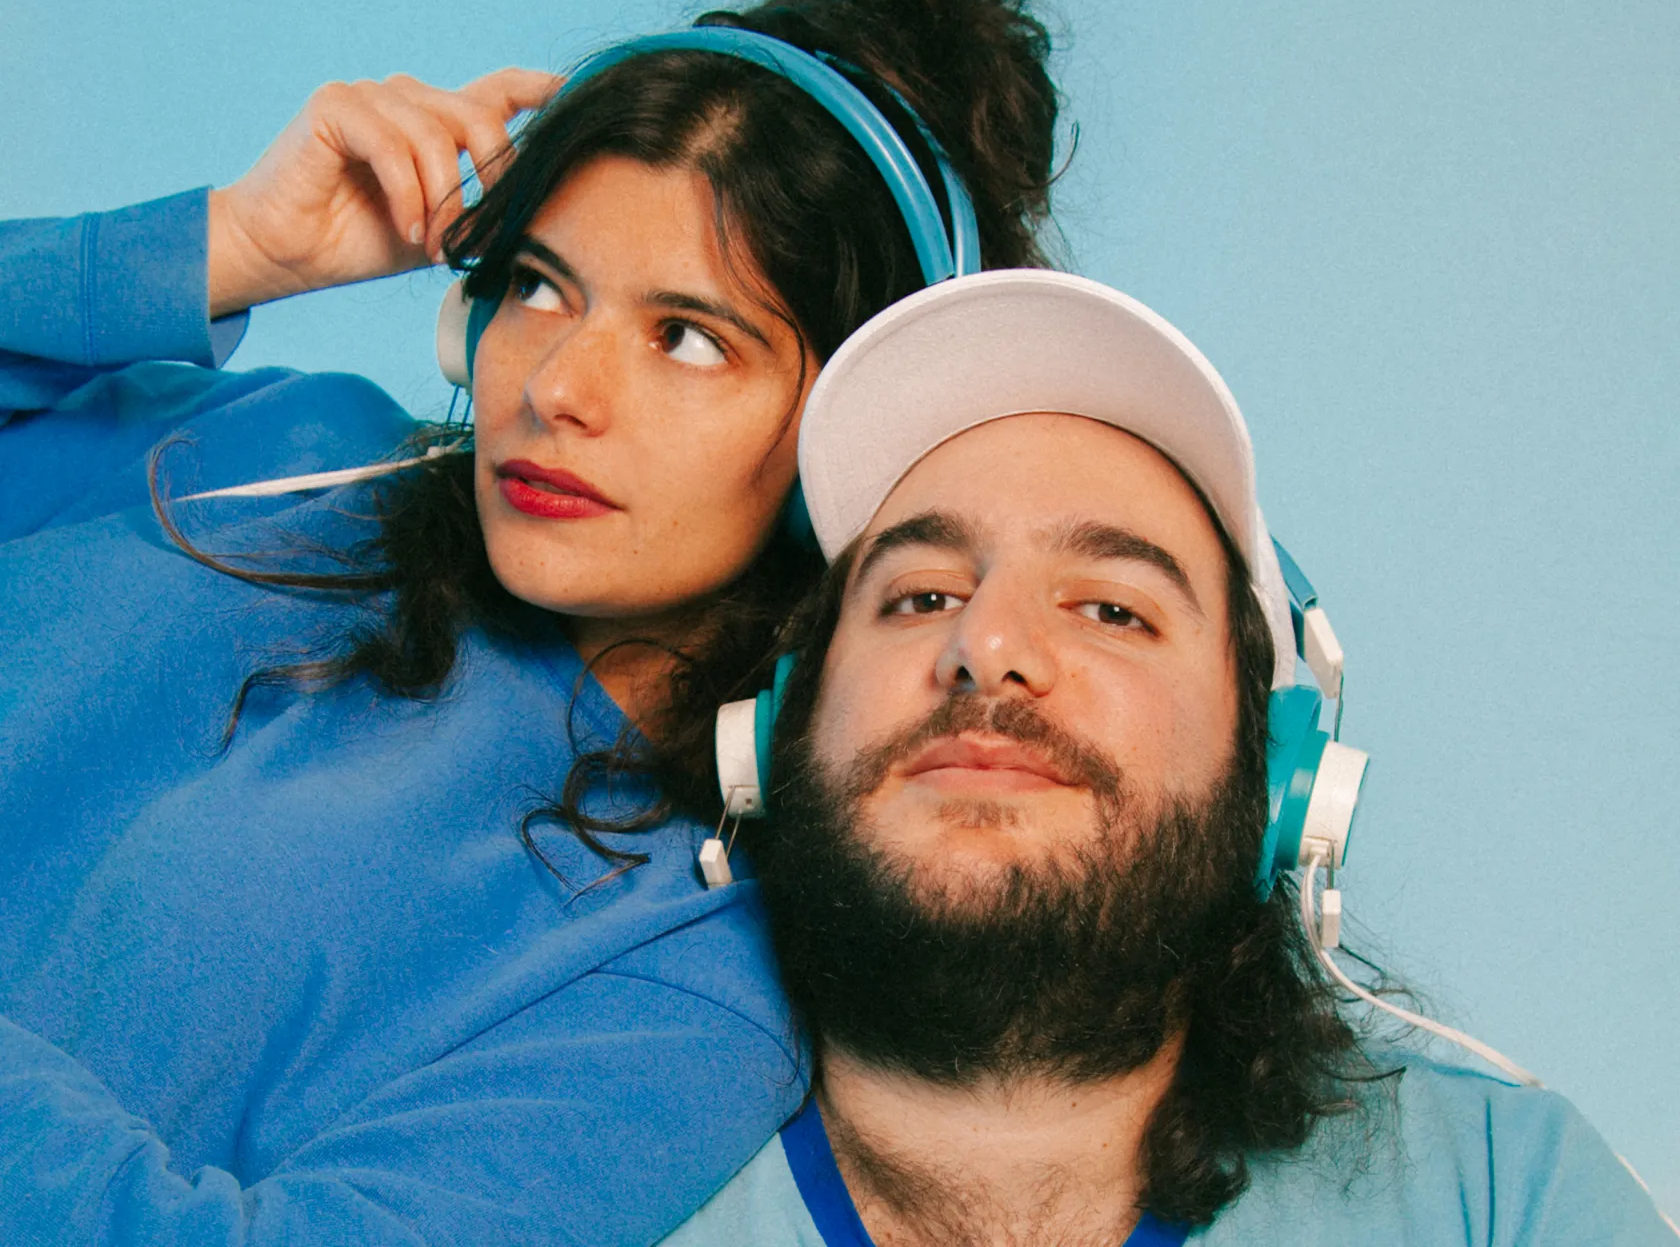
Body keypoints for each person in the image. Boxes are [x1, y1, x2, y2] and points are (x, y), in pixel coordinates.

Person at [0, 0, 1063, 1242]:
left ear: (850, 447)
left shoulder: (693, 961)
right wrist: (225, 247)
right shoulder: (289, 447)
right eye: (541, 285)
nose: (557, 385)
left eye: (688, 337)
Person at [659, 269, 1678, 1245]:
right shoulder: (593, 1185)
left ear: (1273, 785)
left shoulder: (1506, 1192)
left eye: (1112, 609)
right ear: (776, 735)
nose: (987, 643)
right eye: (921, 595)